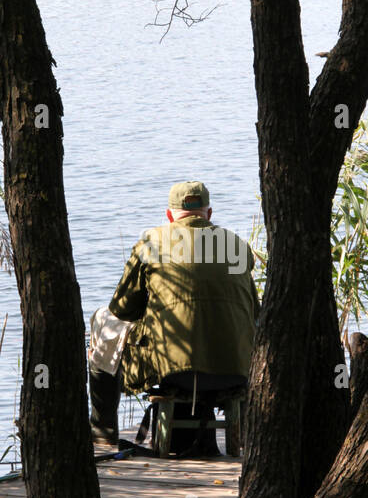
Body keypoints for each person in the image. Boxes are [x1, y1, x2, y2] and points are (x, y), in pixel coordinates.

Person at [89, 180, 260, 449]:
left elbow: (121, 310)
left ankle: (102, 427)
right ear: (209, 213)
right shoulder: (236, 244)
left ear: (169, 215)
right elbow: (254, 312)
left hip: (171, 372)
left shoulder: (152, 242)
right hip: (235, 370)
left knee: (102, 320)